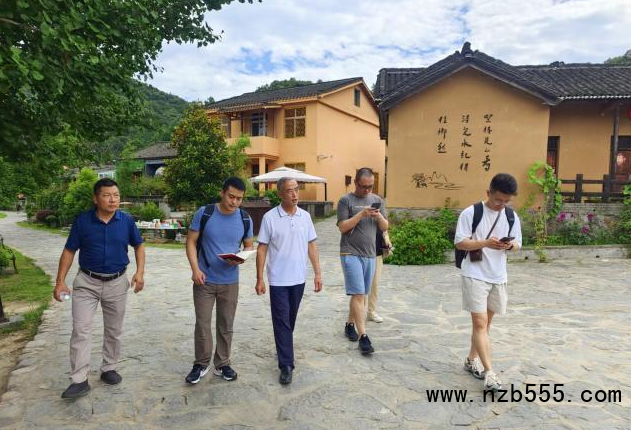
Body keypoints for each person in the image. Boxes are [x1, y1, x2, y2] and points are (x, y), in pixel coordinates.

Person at [53, 178, 145, 399]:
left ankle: (109, 368)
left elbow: (139, 245)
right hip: (87, 282)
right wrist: (60, 282)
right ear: (96, 199)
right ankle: (79, 379)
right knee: (81, 329)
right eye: (107, 195)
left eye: (116, 195)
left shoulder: (126, 221)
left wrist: (140, 272)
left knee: (114, 329)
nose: (113, 199)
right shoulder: (82, 221)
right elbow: (69, 251)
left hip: (117, 282)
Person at [454, 173, 522, 392]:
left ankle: (470, 360)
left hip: (498, 275)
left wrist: (508, 246)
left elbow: (518, 244)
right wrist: (485, 243)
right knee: (480, 323)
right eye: (498, 200)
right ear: (488, 193)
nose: (501, 205)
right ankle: (490, 373)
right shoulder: (471, 213)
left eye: (506, 201)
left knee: (485, 325)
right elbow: (460, 243)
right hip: (474, 273)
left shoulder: (510, 216)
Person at [184, 177, 254, 384]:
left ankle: (222, 364)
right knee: (202, 324)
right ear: (222, 193)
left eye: (239, 199)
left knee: (226, 324)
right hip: (204, 278)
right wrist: (195, 269)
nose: (234, 202)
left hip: (230, 280)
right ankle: (201, 363)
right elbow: (191, 242)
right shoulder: (205, 213)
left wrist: (240, 258)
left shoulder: (245, 218)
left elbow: (249, 246)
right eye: (231, 196)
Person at [255, 177, 322, 385]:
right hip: (278, 279)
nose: (294, 194)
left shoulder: (305, 217)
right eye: (289, 191)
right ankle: (286, 364)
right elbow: (262, 248)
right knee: (282, 321)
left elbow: (312, 246)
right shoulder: (269, 218)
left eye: (296, 189)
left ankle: (283, 346)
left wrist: (318, 273)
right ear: (280, 194)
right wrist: (259, 278)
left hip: (299, 278)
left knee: (290, 319)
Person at [337, 168, 388, 355]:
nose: (367, 190)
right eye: (364, 186)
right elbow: (342, 227)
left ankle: (350, 324)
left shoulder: (377, 200)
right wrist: (361, 214)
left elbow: (385, 226)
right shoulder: (345, 200)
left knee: (360, 294)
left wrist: (378, 215)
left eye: (370, 187)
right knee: (359, 294)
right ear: (356, 183)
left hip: (370, 254)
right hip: (350, 252)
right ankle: (363, 337)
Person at [367, 229, 392, 323]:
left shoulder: (379, 218)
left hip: (377, 254)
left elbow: (385, 229)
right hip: (361, 253)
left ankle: (371, 312)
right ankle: (358, 311)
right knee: (360, 286)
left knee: (375, 284)